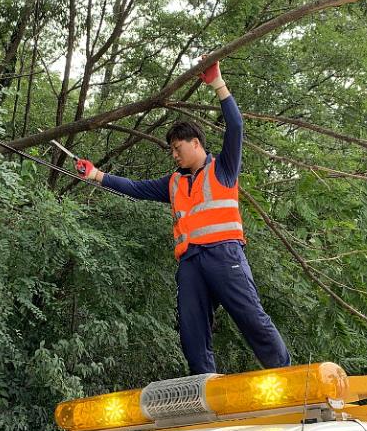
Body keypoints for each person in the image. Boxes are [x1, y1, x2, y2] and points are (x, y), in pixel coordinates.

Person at [74, 60, 291, 375]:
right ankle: (205, 384)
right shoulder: (173, 182)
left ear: (196, 143)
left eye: (177, 148)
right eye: (171, 150)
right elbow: (135, 188)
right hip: (190, 262)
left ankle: (284, 372)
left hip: (224, 254)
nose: (174, 154)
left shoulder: (223, 168)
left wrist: (217, 83)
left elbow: (237, 127)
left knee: (250, 317)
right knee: (191, 330)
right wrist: (96, 175)